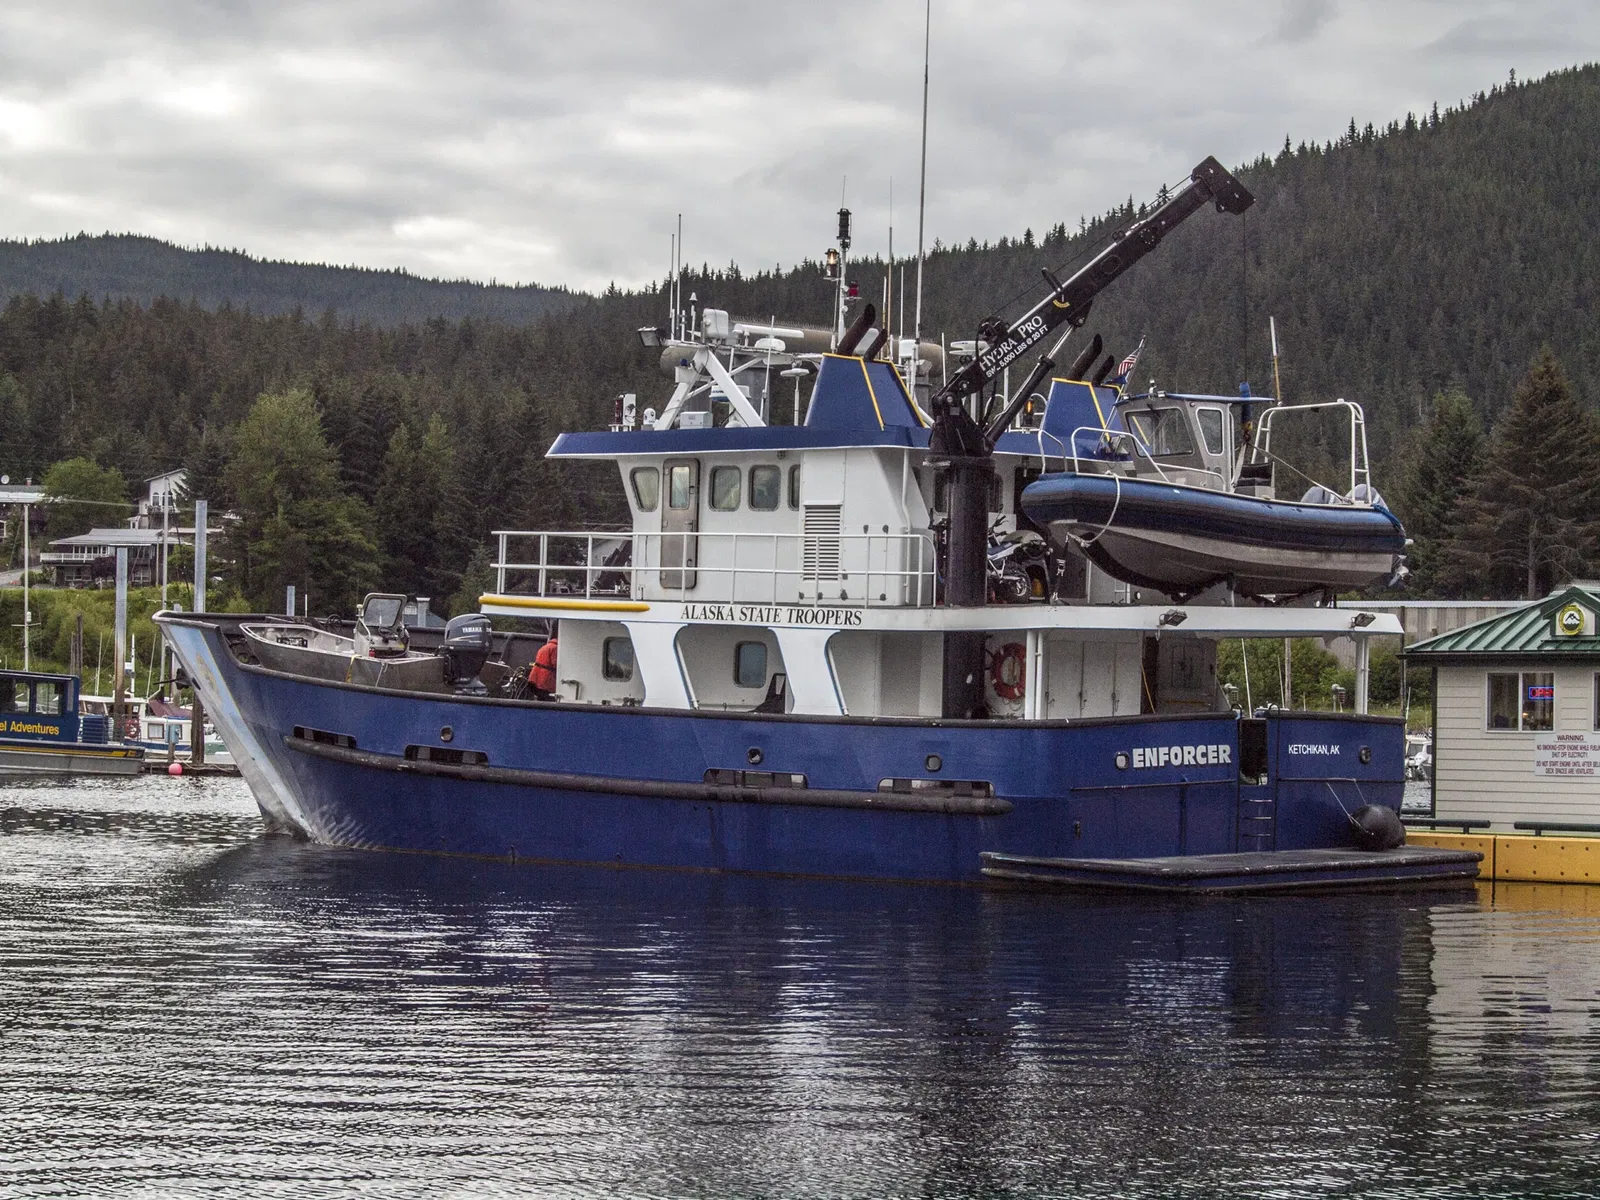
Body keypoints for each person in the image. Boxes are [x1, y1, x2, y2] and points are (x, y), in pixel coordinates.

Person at [529, 635, 559, 701]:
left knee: (539, 698)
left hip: (535, 676)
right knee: (547, 699)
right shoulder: (555, 648)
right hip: (545, 678)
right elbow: (555, 663)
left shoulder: (545, 647)